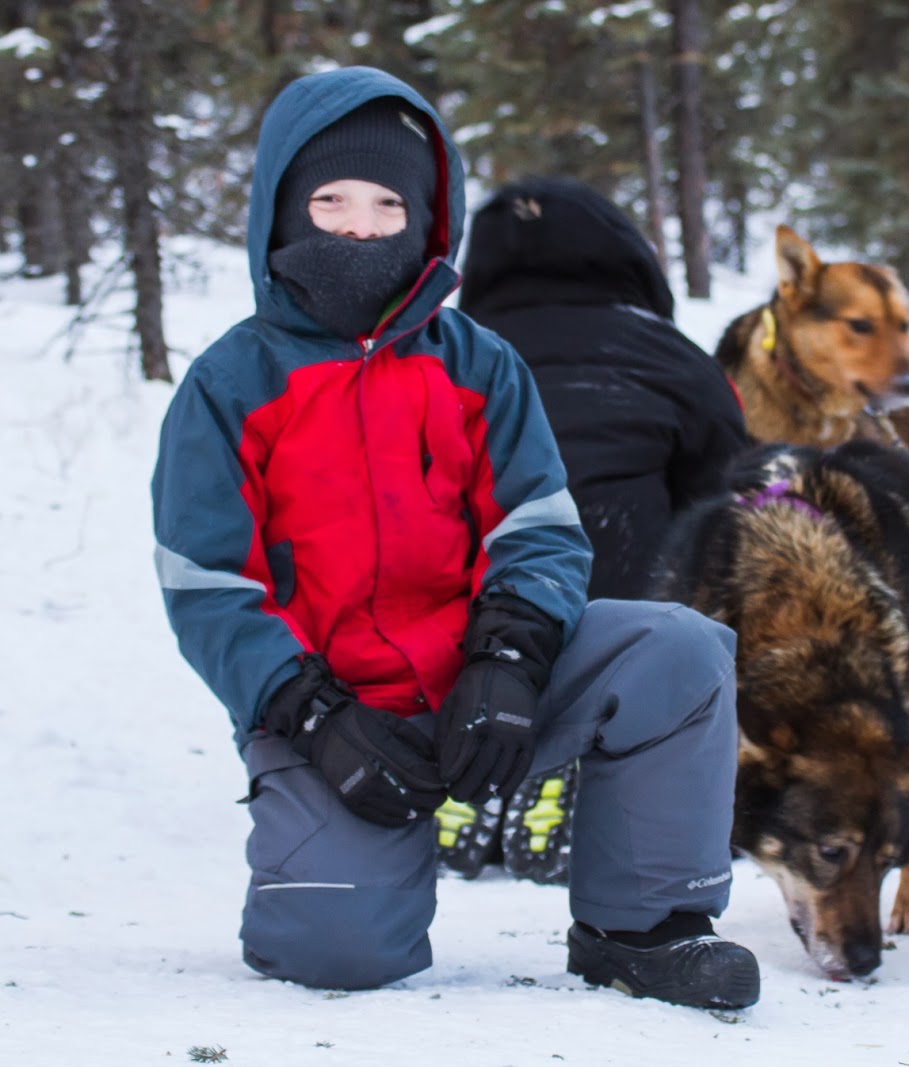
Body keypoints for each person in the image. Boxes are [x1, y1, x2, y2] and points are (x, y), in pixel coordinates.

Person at [149, 65, 759, 1010]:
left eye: (389, 203)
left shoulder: (480, 363)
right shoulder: (230, 384)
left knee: (677, 650)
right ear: (280, 207)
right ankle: (347, 868)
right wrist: (314, 716)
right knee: (339, 950)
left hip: (485, 675)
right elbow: (207, 585)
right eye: (332, 198)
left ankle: (642, 926)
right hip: (333, 715)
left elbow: (540, 527)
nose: (359, 225)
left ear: (429, 219)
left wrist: (511, 655)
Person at [438, 176, 750, 881]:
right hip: (625, 613)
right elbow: (727, 504)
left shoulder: (448, 356)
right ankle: (577, 752)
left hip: (476, 630)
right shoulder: (674, 357)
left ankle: (460, 755)